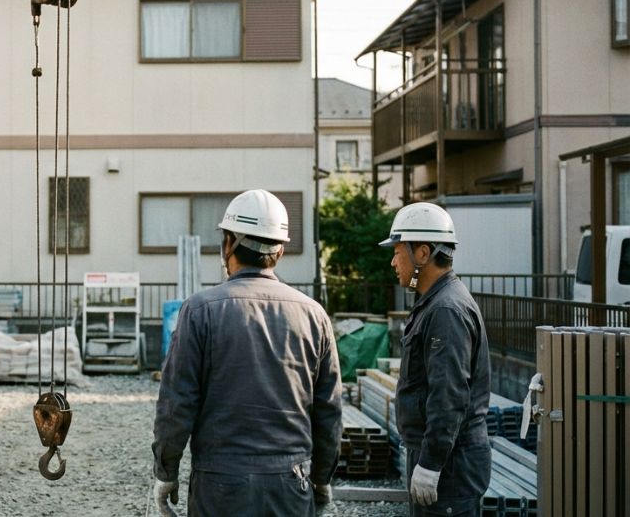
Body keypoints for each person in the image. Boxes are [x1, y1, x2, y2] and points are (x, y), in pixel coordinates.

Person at [151, 189, 342, 517]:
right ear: (279, 251)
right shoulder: (313, 315)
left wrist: (166, 472)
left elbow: (176, 403)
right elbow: (329, 411)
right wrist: (322, 479)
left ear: (228, 245)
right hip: (290, 486)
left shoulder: (200, 311)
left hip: (220, 485)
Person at [380, 202, 492, 515]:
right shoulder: (436, 302)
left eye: (398, 251)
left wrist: (430, 464)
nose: (393, 262)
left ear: (423, 253)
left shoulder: (445, 310)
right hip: (447, 458)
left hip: (451, 465)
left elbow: (449, 394)